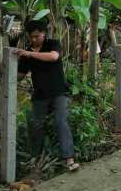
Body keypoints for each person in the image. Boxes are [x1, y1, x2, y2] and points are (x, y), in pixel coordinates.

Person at [16, 20, 79, 171]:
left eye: (37, 36)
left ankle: (69, 159)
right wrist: (4, 72)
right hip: (40, 95)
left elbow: (53, 57)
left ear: (44, 33)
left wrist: (30, 53)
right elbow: (19, 76)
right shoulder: (26, 54)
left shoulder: (53, 44)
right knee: (35, 124)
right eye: (31, 37)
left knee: (60, 121)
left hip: (59, 92)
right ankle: (35, 158)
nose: (34, 39)